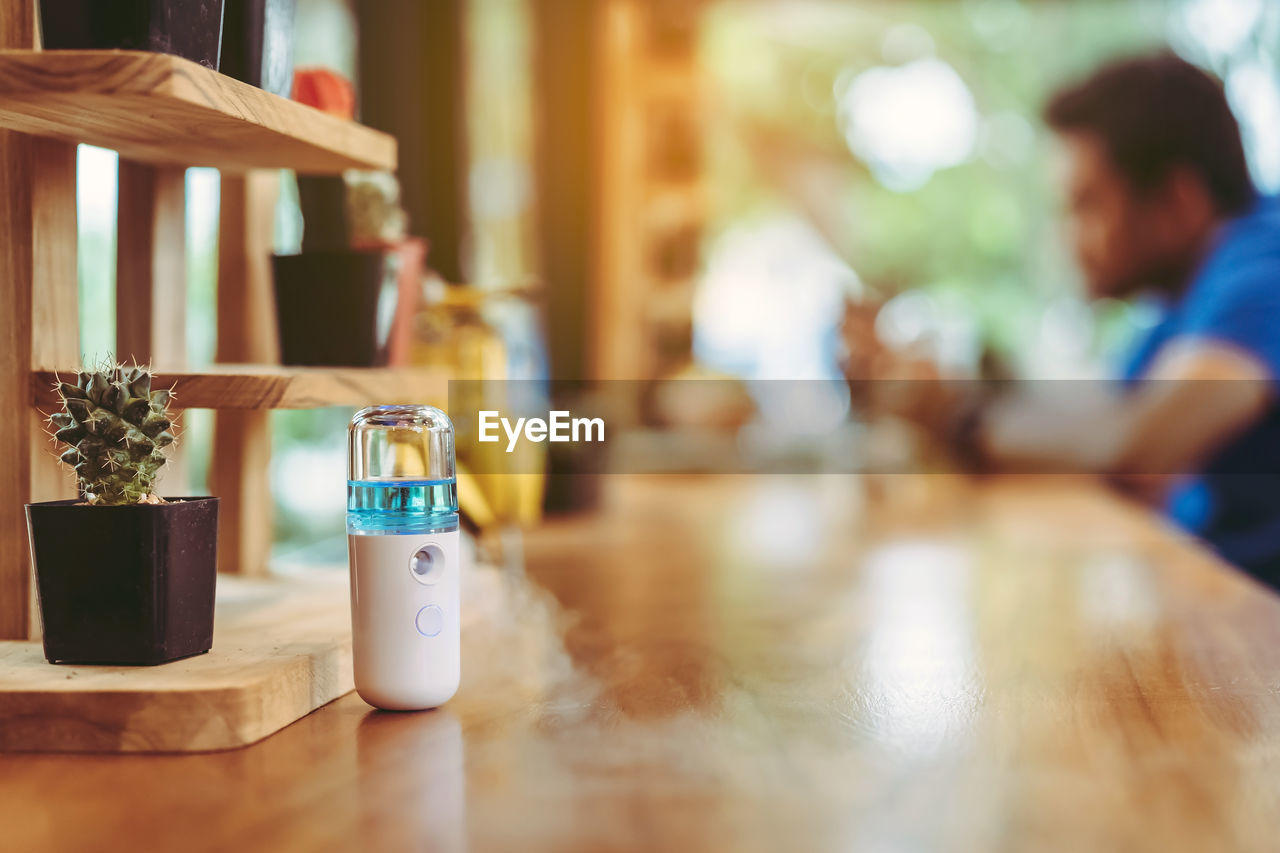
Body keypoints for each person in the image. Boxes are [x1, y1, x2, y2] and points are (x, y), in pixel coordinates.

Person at [848, 53, 1280, 585]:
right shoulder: (1180, 311)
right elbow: (1096, 427)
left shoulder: (1264, 268)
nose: (1066, 239)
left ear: (1178, 201)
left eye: (1085, 205)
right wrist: (950, 397)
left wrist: (957, 419)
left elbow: (1135, 453)